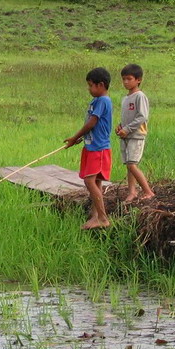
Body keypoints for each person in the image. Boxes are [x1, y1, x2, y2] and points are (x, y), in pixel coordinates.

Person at [64, 67, 113, 230]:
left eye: (91, 85)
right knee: (96, 181)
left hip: (99, 148)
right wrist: (81, 138)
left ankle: (103, 218)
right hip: (92, 146)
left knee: (89, 180)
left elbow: (92, 123)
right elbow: (92, 126)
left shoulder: (103, 101)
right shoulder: (97, 100)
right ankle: (95, 215)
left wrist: (74, 137)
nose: (89, 89)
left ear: (101, 85)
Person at [116, 63, 154, 203]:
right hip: (126, 135)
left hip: (136, 135)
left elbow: (142, 116)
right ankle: (132, 191)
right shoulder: (125, 98)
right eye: (124, 79)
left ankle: (148, 191)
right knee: (128, 164)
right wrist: (120, 127)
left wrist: (128, 129)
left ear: (138, 80)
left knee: (132, 164)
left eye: (129, 79)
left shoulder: (140, 96)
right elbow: (126, 117)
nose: (126, 82)